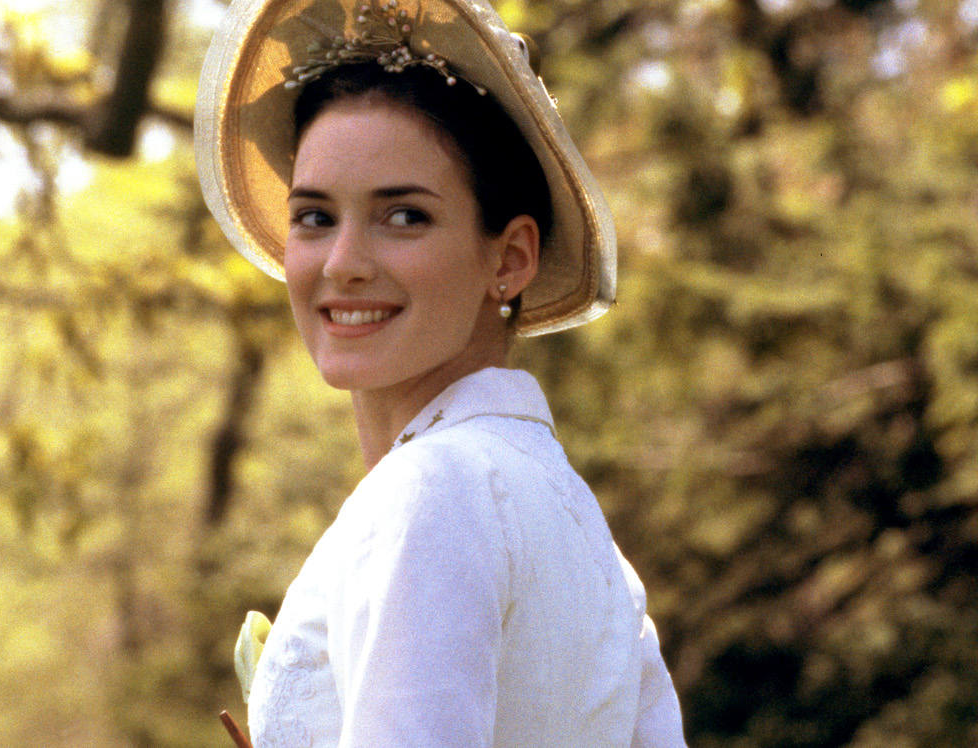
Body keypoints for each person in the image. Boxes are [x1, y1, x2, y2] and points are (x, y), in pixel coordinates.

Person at [194, 0, 687, 745]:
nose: (343, 264)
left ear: (509, 258)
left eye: (404, 217)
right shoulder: (589, 542)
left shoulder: (433, 490)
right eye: (315, 217)